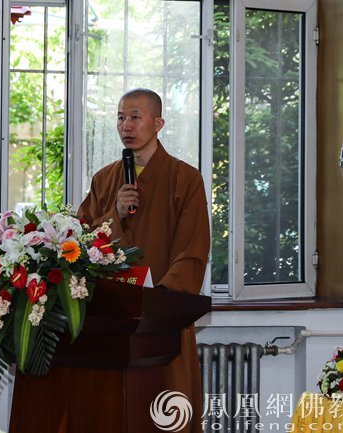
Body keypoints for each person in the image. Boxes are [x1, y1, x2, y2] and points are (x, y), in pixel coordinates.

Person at [78, 88, 210, 433]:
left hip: (162, 319)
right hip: (111, 321)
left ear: (158, 123)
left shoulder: (185, 178)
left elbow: (193, 250)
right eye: (121, 117)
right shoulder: (105, 179)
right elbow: (81, 242)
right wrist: (115, 213)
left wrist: (160, 301)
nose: (126, 125)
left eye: (135, 117)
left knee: (165, 411)